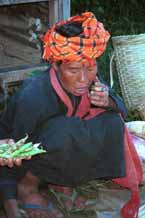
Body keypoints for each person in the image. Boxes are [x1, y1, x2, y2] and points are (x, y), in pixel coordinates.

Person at [0, 12, 142, 218]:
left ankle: (61, 183)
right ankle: (28, 189)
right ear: (56, 65)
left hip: (54, 148)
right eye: (73, 70)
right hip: (29, 158)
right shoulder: (33, 96)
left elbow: (123, 110)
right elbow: (11, 151)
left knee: (112, 122)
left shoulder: (87, 71)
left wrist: (108, 102)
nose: (83, 79)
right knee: (66, 131)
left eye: (90, 68)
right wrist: (10, 203)